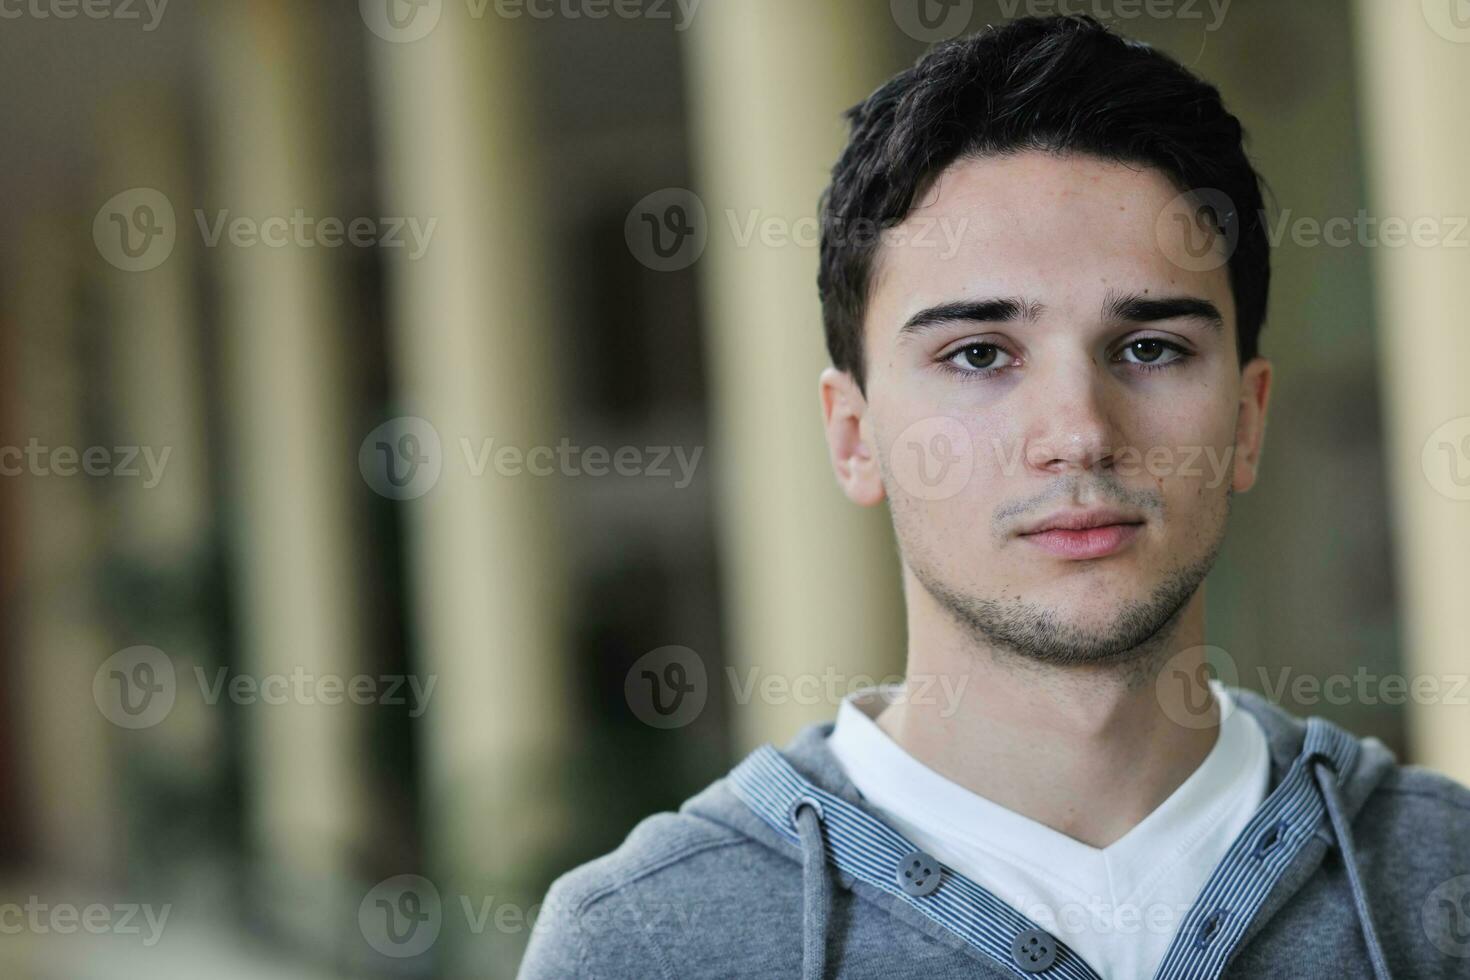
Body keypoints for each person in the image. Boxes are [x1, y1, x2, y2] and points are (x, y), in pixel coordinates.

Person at [519, 15, 1470, 978]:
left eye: (1151, 348)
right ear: (854, 438)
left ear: (1248, 421)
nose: (1080, 433)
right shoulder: (645, 943)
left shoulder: (1443, 879)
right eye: (978, 355)